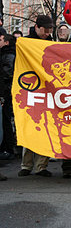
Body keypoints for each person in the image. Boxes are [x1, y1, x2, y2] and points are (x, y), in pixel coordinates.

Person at [18, 15, 54, 177]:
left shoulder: (51, 44)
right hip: (29, 91)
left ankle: (41, 166)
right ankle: (26, 165)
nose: (47, 33)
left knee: (45, 126)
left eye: (49, 30)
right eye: (45, 30)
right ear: (37, 27)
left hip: (47, 91)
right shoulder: (25, 43)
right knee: (30, 125)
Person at [0, 34, 16, 161]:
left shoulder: (8, 56)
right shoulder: (6, 54)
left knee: (6, 120)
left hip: (6, 91)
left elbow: (7, 73)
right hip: (6, 90)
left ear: (6, 42)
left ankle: (8, 148)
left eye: (0, 40)